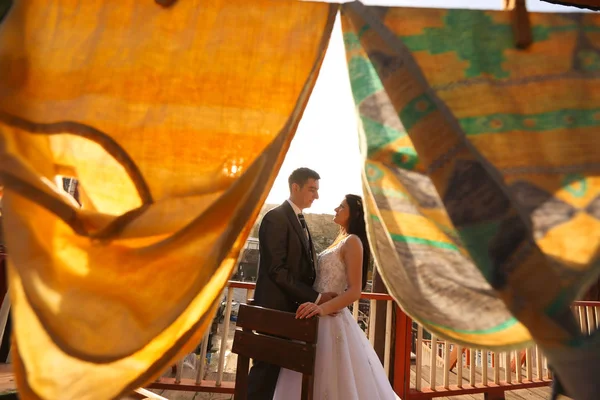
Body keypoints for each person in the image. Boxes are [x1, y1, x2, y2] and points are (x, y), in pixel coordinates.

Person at [273, 194, 401, 400]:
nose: (335, 209)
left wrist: (322, 308)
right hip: (314, 314)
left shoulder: (353, 242)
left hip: (328, 318)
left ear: (355, 214)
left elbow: (354, 291)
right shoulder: (340, 239)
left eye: (341, 207)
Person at [247, 167, 338, 400]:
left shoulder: (299, 218)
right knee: (264, 375)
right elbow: (277, 270)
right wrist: (316, 298)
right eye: (312, 189)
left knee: (276, 376)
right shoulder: (276, 217)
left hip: (291, 313)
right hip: (274, 310)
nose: (316, 196)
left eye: (317, 191)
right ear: (294, 187)